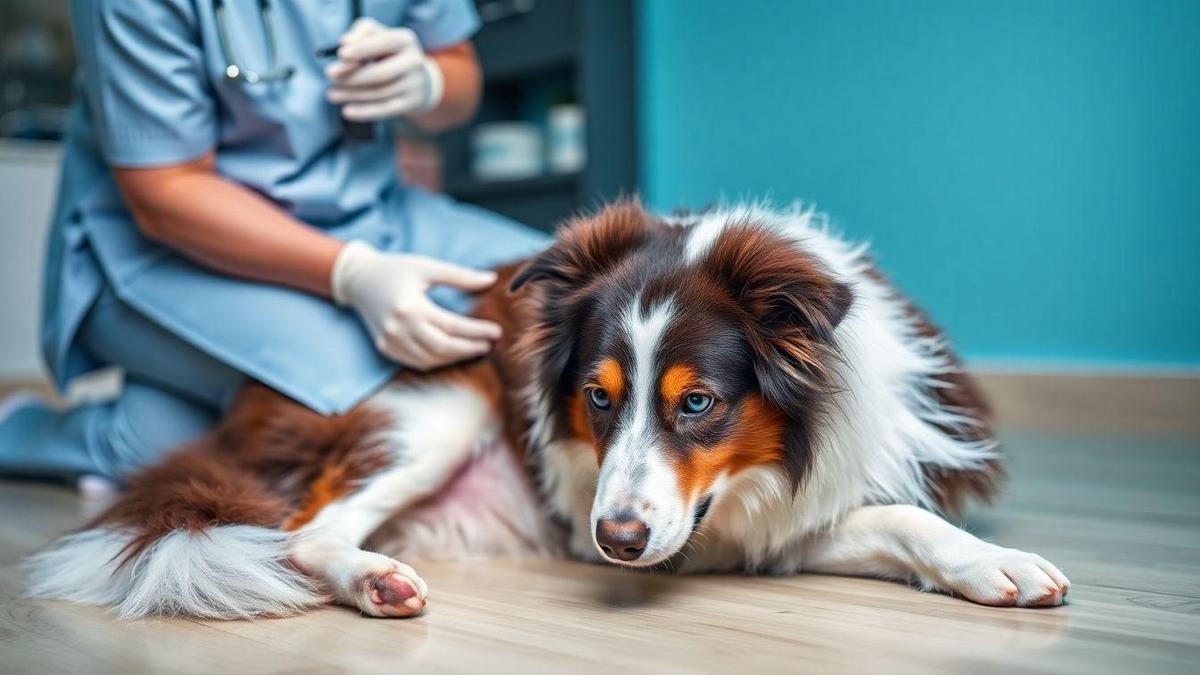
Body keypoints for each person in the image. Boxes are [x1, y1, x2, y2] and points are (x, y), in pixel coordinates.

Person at [0, 0, 548, 484]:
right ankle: (28, 432)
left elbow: (460, 77)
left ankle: (142, 428)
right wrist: (350, 274)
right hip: (168, 250)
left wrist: (427, 81)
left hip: (373, 213)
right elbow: (165, 189)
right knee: (355, 413)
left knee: (567, 300)